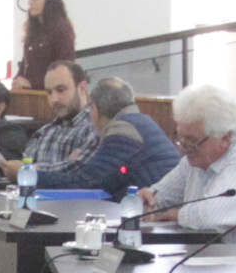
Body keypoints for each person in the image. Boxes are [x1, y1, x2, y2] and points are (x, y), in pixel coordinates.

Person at [141, 81, 236, 232]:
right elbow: (158, 198)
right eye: (180, 137)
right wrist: (146, 202)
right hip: (200, 246)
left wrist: (172, 214)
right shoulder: (195, 161)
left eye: (191, 141)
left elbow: (209, 217)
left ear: (225, 138)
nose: (183, 148)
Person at [29, 71, 168, 195]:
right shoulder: (140, 121)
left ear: (94, 109)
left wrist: (30, 175)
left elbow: (89, 183)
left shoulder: (123, 130)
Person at [15, 0, 76, 88]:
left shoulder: (61, 28)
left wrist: (31, 84)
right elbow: (25, 64)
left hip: (49, 93)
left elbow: (63, 69)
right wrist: (17, 79)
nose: (30, 2)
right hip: (31, 94)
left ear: (49, 0)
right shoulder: (34, 30)